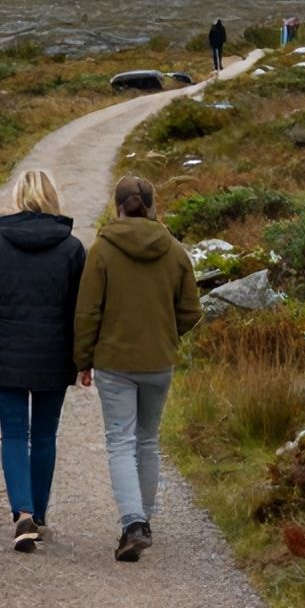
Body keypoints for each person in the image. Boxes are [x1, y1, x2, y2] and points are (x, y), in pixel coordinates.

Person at [74, 175, 201, 562]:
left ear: (117, 205)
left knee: (121, 441)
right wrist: (167, 335)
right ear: (152, 204)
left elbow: (87, 312)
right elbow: (192, 310)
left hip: (114, 363)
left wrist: (83, 359)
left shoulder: (102, 250)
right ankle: (144, 520)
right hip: (159, 361)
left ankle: (133, 524)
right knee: (147, 440)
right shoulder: (175, 250)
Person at [0, 170, 86, 552]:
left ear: (17, 197)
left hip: (5, 354)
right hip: (54, 354)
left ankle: (22, 513)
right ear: (52, 197)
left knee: (14, 435)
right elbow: (79, 311)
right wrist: (83, 358)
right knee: (45, 435)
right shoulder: (72, 249)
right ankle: (40, 515)